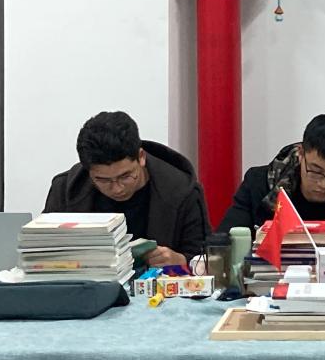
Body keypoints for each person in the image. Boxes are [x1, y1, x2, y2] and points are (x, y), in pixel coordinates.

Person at [43, 111, 209, 266]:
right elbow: (44, 254)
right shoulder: (65, 191)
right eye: (103, 180)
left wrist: (180, 260)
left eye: (125, 176)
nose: (117, 189)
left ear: (141, 157)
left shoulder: (182, 191)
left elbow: (205, 260)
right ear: (88, 171)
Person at [216, 109, 325, 243]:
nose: (324, 184)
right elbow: (225, 244)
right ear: (300, 153)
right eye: (315, 171)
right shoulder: (260, 185)